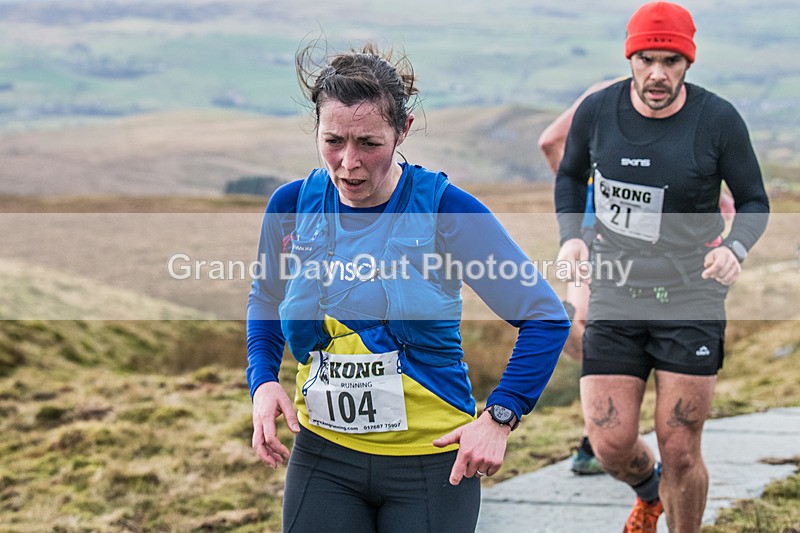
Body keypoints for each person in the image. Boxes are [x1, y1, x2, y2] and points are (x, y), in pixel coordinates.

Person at [247, 42, 570, 532]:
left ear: (403, 131)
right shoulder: (292, 204)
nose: (349, 164)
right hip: (323, 456)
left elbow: (545, 318)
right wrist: (264, 380)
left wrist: (499, 417)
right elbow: (266, 298)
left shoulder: (447, 211)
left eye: (370, 144)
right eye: (333, 141)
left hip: (431, 463)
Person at [554, 3, 769, 532]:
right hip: (615, 291)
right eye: (646, 59)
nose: (657, 73)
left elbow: (755, 201)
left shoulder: (717, 120)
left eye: (670, 61)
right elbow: (569, 175)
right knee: (609, 444)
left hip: (691, 297)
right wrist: (572, 240)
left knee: (679, 449)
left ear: (687, 63)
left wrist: (734, 248)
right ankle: (649, 493)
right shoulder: (598, 111)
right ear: (630, 57)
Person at [539, 73, 737, 477]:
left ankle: (603, 430)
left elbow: (550, 144)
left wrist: (591, 186)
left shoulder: (599, 95)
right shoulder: (659, 99)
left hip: (601, 234)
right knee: (588, 327)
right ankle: (604, 429)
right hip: (617, 241)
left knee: (586, 325)